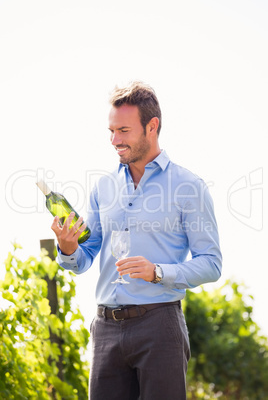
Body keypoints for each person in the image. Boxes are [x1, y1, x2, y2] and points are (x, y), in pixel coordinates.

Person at [51, 81, 222, 400]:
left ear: (152, 126)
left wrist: (158, 272)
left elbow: (211, 264)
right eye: (111, 131)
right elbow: (86, 255)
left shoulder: (188, 186)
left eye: (124, 131)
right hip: (105, 329)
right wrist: (69, 247)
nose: (115, 140)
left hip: (159, 326)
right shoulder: (103, 187)